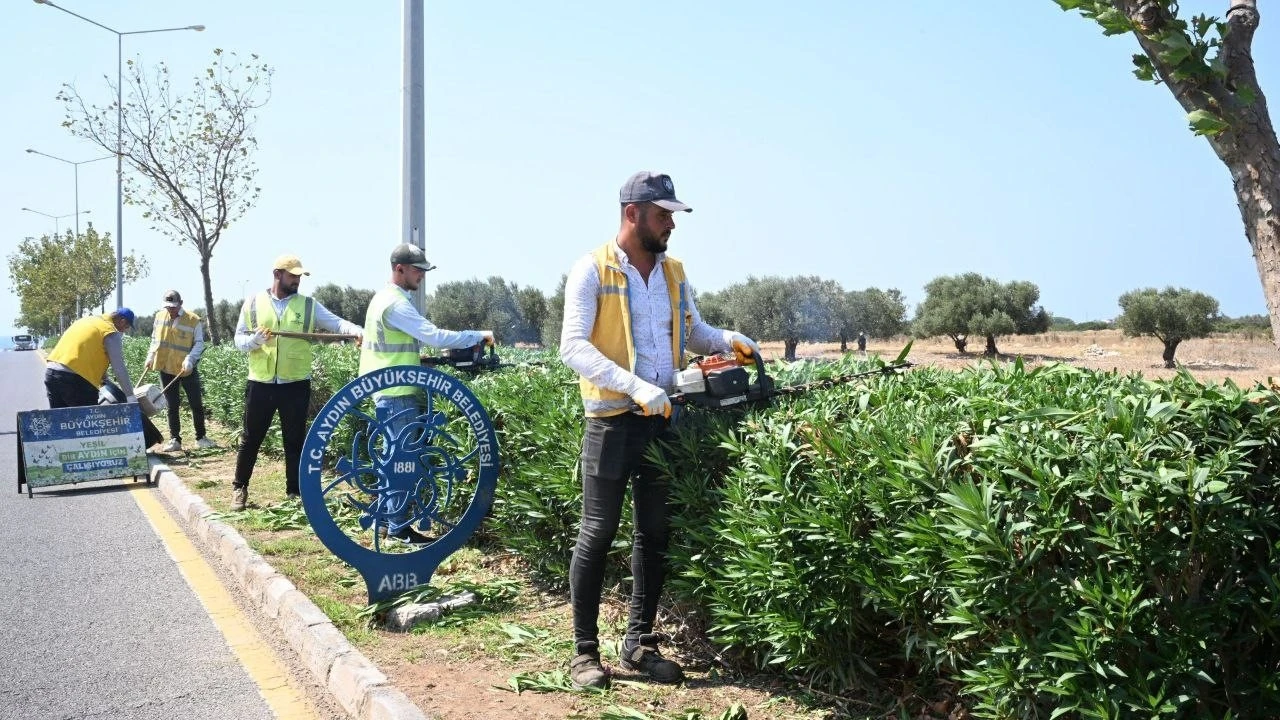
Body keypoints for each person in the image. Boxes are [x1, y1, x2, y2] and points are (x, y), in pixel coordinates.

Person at [559, 171, 763, 689]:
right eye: (662, 215)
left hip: (664, 419)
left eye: (672, 215)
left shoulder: (674, 272)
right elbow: (573, 346)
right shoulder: (591, 269)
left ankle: (639, 644)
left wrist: (729, 340)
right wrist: (634, 386)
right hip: (612, 421)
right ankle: (584, 653)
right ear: (633, 214)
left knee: (654, 534)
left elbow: (692, 332)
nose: (671, 224)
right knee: (597, 532)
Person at [357, 242, 494, 543]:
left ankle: (386, 521)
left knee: (392, 458)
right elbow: (433, 336)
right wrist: (477, 336)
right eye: (417, 270)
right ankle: (398, 529)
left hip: (386, 388)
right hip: (396, 392)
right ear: (399, 269)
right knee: (402, 460)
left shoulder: (382, 298)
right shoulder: (396, 304)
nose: (422, 275)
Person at [231, 254, 364, 511]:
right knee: (251, 439)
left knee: (295, 441)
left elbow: (336, 323)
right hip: (260, 383)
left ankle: (295, 492)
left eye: (299, 276)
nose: (297, 280)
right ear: (277, 274)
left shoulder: (308, 305)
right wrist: (254, 341)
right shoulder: (253, 303)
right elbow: (239, 339)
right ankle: (239, 488)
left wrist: (356, 331)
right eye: (292, 276)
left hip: (295, 384)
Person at [145, 289, 215, 452]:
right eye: (168, 307)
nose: (170, 310)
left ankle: (201, 438)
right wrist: (150, 356)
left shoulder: (193, 320)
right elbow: (155, 339)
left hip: (187, 369)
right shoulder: (159, 317)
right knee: (172, 405)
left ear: (181, 304)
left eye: (173, 307)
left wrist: (190, 359)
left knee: (196, 403)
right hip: (166, 367)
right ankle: (175, 439)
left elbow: (199, 343)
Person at [45, 308, 139, 409]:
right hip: (75, 380)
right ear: (122, 321)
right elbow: (119, 368)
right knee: (90, 417)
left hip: (51, 373)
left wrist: (105, 379)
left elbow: (88, 353)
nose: (124, 331)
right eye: (126, 327)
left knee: (59, 418)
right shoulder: (109, 331)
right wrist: (130, 397)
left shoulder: (87, 321)